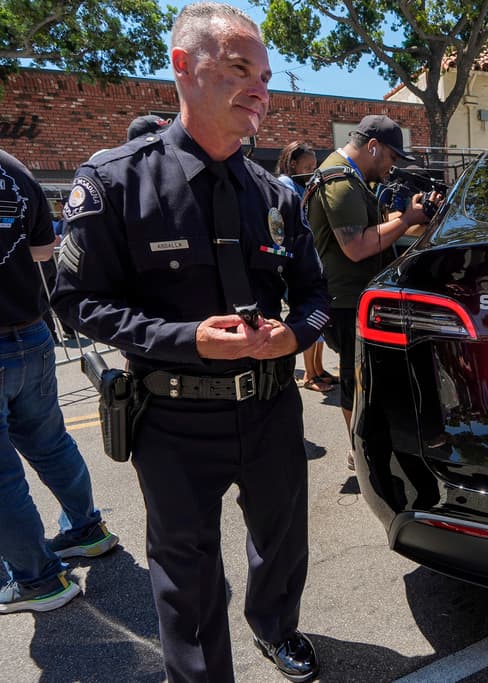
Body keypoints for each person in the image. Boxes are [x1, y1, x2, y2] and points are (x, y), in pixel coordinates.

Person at [51, 3, 329, 680]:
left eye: (264, 76)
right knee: (187, 570)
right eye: (239, 68)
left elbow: (319, 299)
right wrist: (186, 339)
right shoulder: (116, 181)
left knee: (283, 540)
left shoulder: (276, 195)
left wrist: (293, 335)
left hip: (270, 407)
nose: (259, 89)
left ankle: (276, 627)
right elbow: (76, 301)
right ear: (182, 65)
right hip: (173, 415)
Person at [0, 149, 119, 614]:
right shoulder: (11, 167)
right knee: (49, 442)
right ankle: (86, 529)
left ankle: (37, 579)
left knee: (4, 476)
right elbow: (43, 249)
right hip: (29, 330)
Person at [304, 114, 435, 448]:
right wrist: (406, 220)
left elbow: (370, 227)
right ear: (373, 147)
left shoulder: (354, 179)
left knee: (366, 377)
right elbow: (357, 246)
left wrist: (412, 216)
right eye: (392, 156)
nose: (392, 166)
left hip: (355, 297)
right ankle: (358, 450)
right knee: (355, 378)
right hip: (346, 301)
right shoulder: (340, 181)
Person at [275, 141, 335, 393]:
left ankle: (319, 368)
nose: (312, 171)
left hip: (313, 257)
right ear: (292, 164)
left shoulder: (301, 185)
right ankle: (309, 374)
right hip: (297, 262)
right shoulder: (285, 185)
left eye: (314, 166)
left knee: (320, 314)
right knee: (308, 314)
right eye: (307, 166)